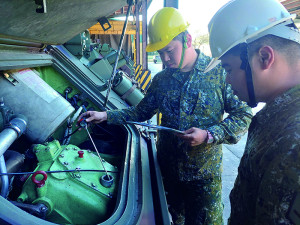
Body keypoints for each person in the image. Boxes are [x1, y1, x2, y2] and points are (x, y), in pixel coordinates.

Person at [80, 7, 252, 224]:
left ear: (188, 40)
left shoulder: (218, 73)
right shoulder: (161, 80)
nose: (165, 58)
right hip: (168, 173)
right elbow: (139, 112)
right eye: (160, 52)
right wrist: (105, 115)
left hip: (203, 178)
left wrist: (209, 135)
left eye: (169, 50)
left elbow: (244, 114)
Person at [205, 0, 300, 224]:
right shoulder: (280, 116)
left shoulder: (293, 138)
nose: (227, 80)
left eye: (228, 69)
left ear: (264, 57)